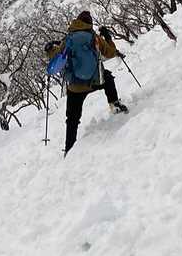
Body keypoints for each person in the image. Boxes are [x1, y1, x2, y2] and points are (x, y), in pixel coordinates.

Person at [47, 10, 127, 153]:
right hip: (95, 81)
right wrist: (108, 37)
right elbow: (110, 52)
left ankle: (69, 149)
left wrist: (49, 49)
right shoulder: (94, 37)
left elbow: (56, 59)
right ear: (89, 24)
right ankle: (115, 105)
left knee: (72, 119)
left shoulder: (68, 39)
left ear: (77, 22)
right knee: (108, 78)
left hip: (75, 87)